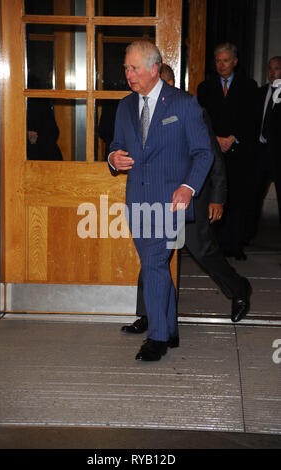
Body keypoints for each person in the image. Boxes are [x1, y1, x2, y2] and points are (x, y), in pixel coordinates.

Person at [122, 64, 252, 336]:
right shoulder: (140, 110)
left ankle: (239, 288)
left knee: (201, 250)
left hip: (191, 198)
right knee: (152, 254)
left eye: (167, 84)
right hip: (158, 198)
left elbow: (212, 155)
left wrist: (218, 197)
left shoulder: (190, 110)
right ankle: (148, 315)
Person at [109, 41, 214, 361]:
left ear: (154, 70)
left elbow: (204, 152)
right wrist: (114, 158)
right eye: (126, 67)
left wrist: (188, 187)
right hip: (137, 200)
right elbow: (115, 143)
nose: (128, 74)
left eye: (134, 68)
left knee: (154, 263)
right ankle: (168, 328)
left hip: (171, 201)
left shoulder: (184, 104)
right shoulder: (125, 105)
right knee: (154, 266)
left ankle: (157, 338)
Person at [197, 43, 258, 260]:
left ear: (234, 61)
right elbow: (201, 120)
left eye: (225, 60)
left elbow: (252, 119)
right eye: (217, 61)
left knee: (239, 199)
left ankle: (236, 244)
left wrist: (232, 138)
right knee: (216, 197)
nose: (221, 65)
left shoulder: (249, 86)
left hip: (239, 151)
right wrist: (216, 139)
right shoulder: (204, 88)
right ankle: (220, 245)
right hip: (214, 150)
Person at [245, 56, 281, 243]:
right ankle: (246, 236)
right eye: (269, 68)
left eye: (276, 68)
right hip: (260, 153)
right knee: (253, 197)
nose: (272, 72)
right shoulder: (260, 93)